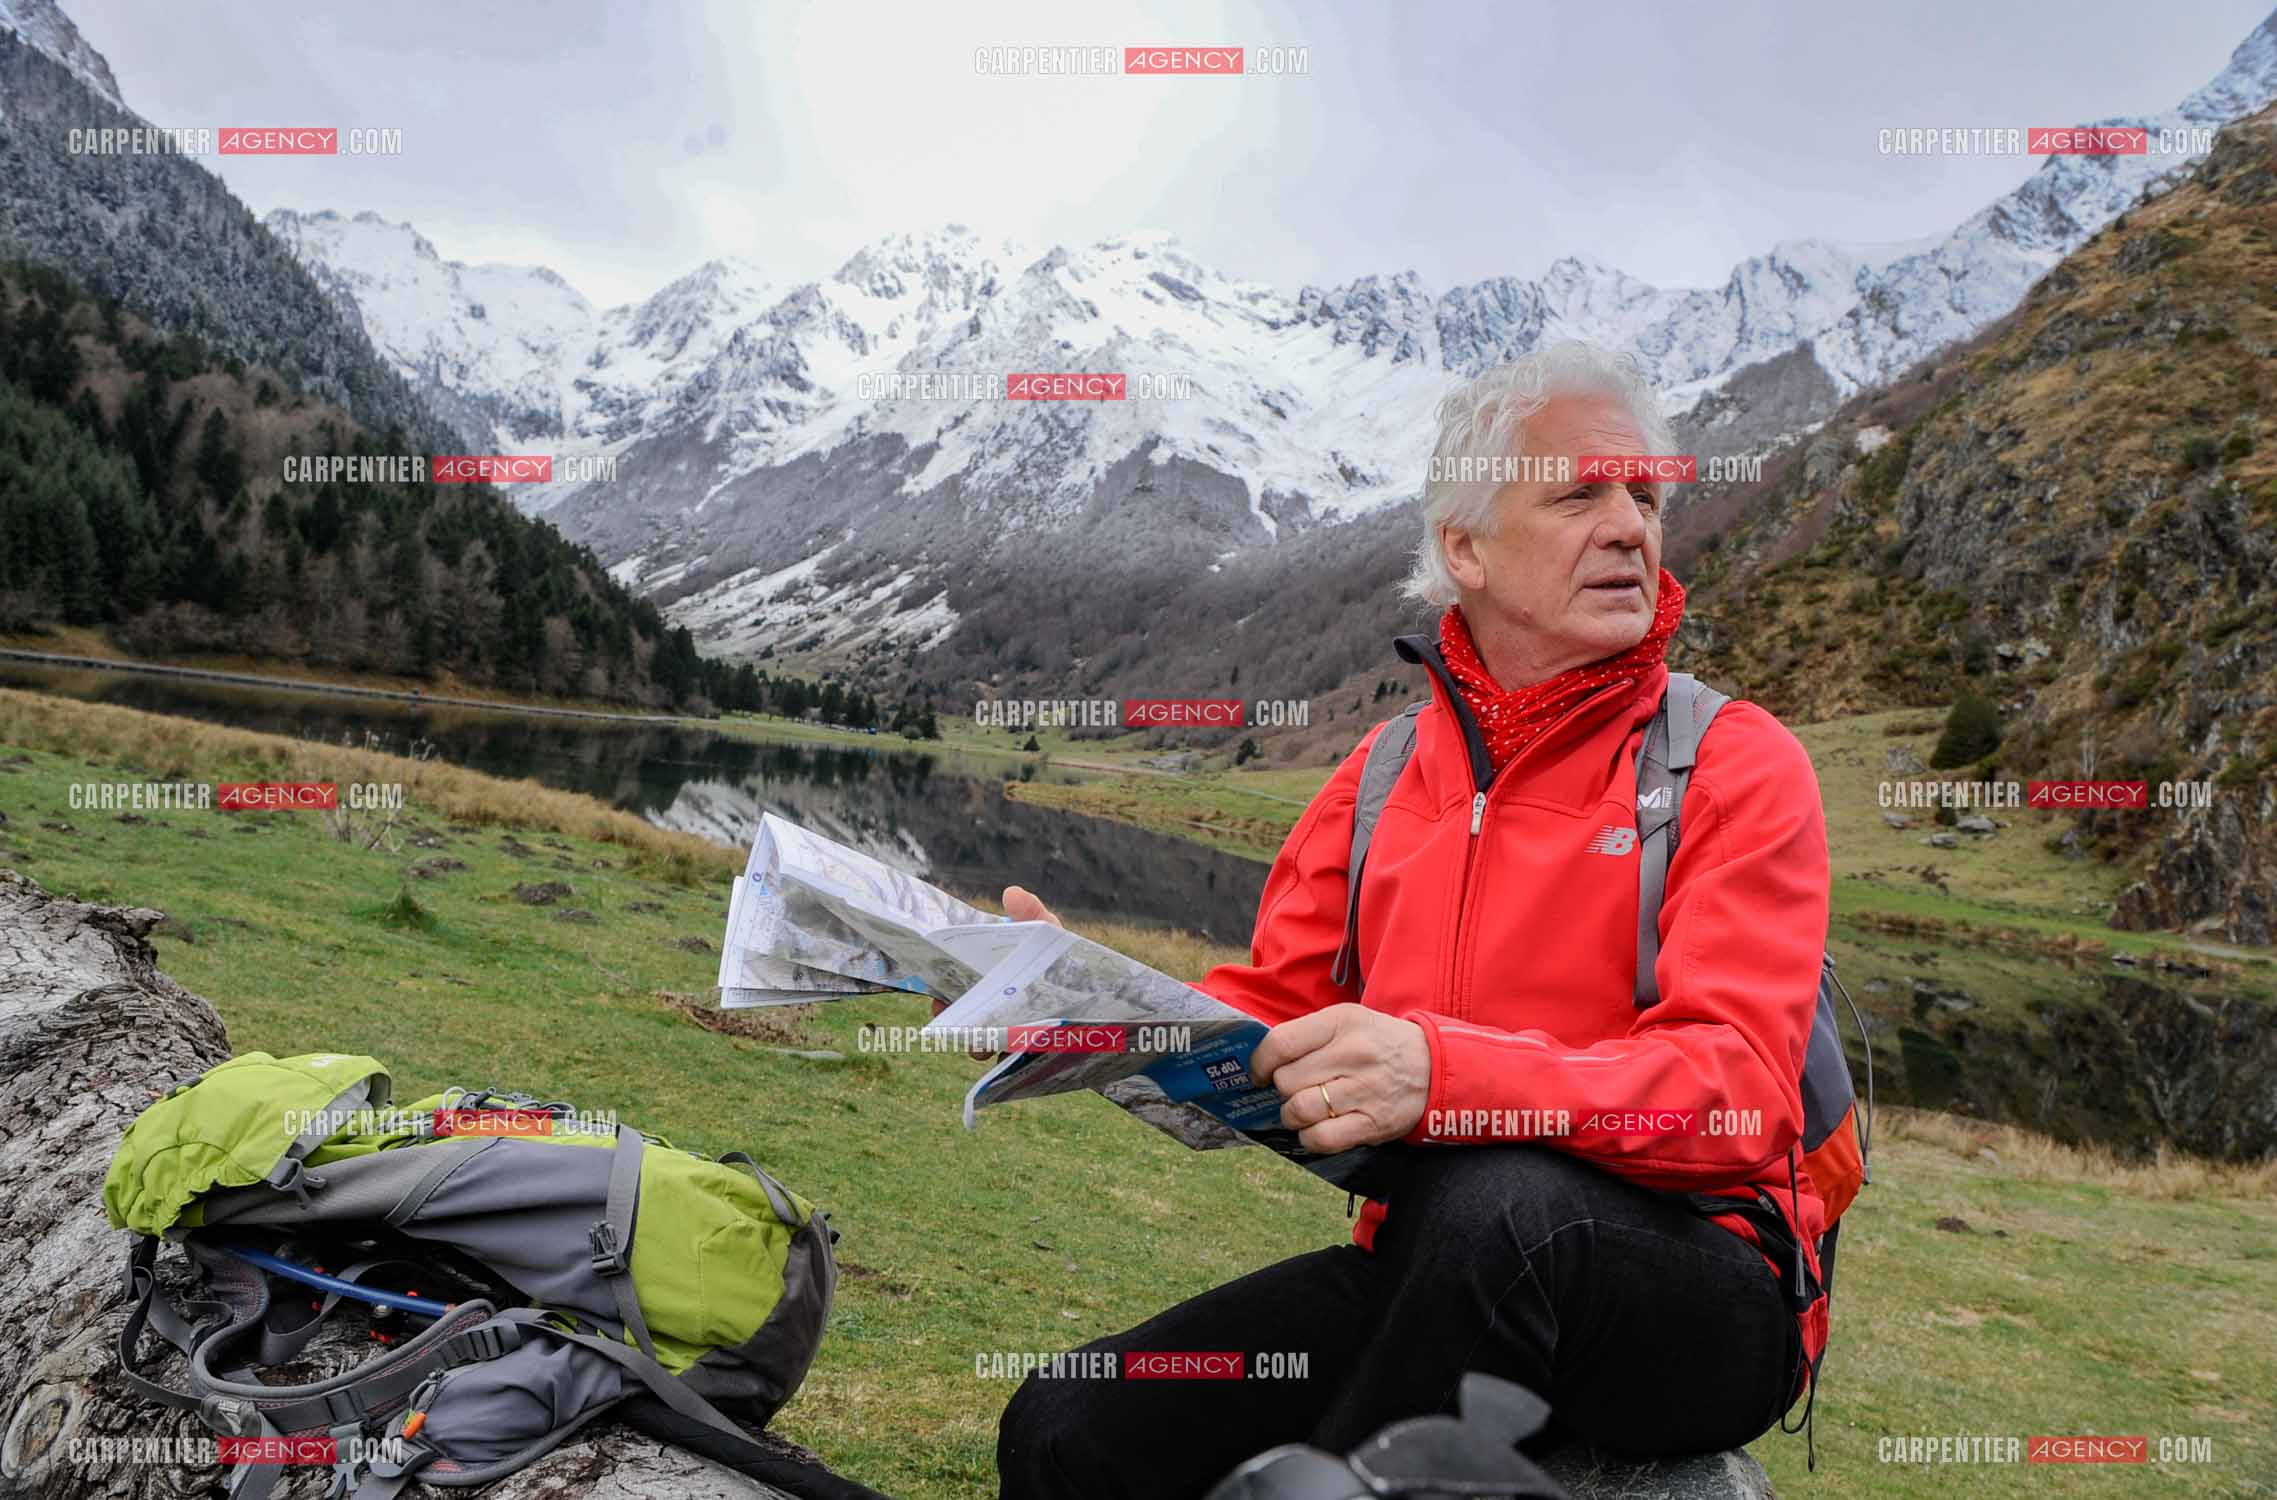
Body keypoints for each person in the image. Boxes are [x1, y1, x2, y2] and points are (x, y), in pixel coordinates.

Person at [993, 342, 1832, 1500]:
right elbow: (1271, 1013)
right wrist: (1072, 998)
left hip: (1698, 1294)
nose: (1632, 526)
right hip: (1437, 1274)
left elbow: (1736, 1091)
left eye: (1645, 494)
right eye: (1581, 492)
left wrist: (1443, 1074)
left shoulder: (1733, 762)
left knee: (1506, 1206)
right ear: (1466, 548)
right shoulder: (1386, 771)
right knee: (1067, 1428)